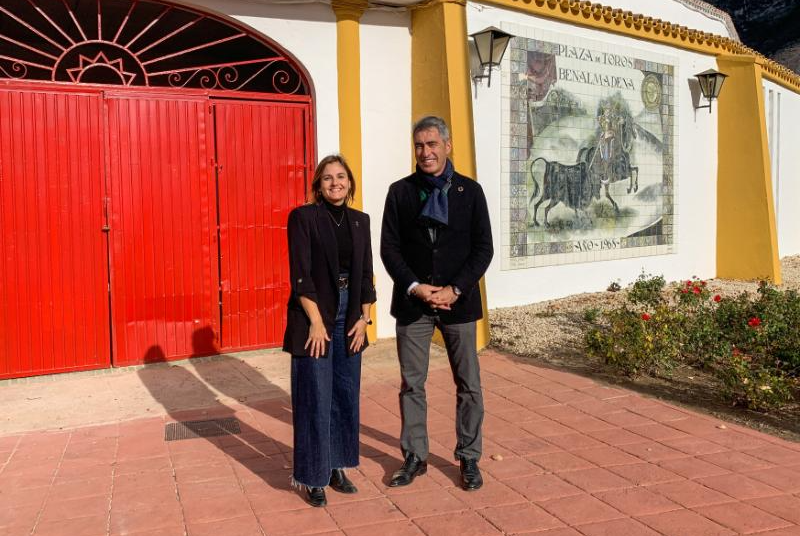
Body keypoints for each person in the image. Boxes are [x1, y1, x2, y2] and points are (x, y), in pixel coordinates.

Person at [380, 116, 493, 491]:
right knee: (412, 383)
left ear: (447, 146)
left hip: (458, 303)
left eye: (431, 144)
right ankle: (415, 455)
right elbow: (389, 248)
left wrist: (455, 289)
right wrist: (415, 286)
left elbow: (483, 249)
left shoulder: (470, 192)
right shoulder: (400, 192)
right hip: (414, 303)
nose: (425, 152)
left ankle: (470, 457)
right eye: (418, 145)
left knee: (469, 384)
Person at [283, 154, 376, 507]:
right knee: (314, 397)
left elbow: (366, 274)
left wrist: (362, 318)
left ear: (349, 182)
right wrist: (317, 321)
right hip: (314, 316)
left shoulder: (360, 221)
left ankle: (337, 466)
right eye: (327, 178)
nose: (335, 182)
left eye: (341, 177)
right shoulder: (303, 218)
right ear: (318, 186)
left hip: (350, 313)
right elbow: (300, 275)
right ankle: (313, 476)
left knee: (344, 393)